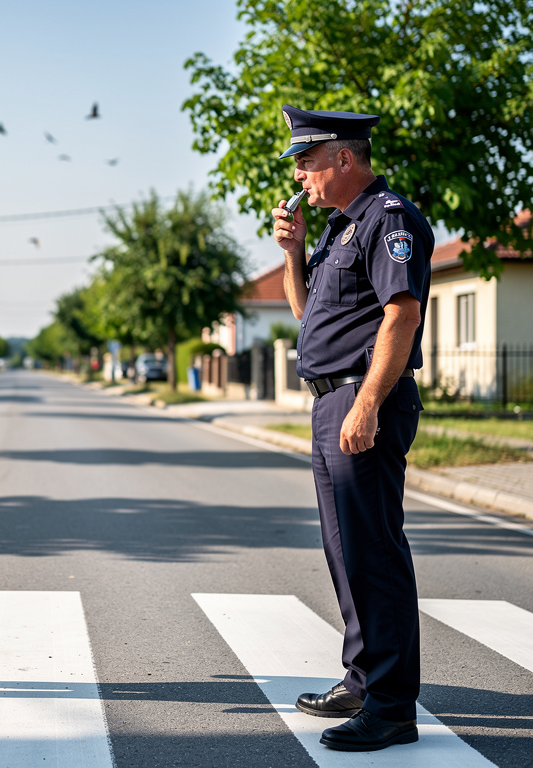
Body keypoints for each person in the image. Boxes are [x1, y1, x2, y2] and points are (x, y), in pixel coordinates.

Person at [271, 105, 434, 752]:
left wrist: (367, 404)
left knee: (374, 551)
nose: (302, 176)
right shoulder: (338, 230)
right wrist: (290, 253)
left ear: (344, 158)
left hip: (362, 401)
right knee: (345, 551)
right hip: (329, 402)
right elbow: (309, 314)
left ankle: (392, 707)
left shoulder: (387, 219)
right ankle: (363, 679)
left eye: (308, 162)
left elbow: (402, 315)